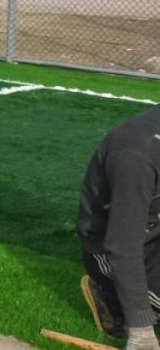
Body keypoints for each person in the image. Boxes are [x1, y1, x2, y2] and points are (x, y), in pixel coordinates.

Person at [78, 105, 160, 350]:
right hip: (117, 247)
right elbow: (123, 247)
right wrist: (142, 331)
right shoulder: (135, 155)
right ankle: (112, 299)